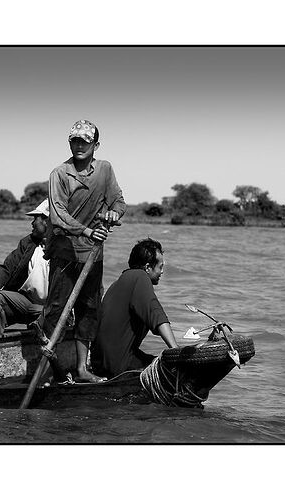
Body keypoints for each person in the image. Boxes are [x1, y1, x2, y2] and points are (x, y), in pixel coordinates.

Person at [43, 119, 126, 383]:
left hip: (92, 256)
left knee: (89, 310)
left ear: (95, 145)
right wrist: (88, 231)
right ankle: (46, 368)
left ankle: (81, 369)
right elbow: (58, 215)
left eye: (84, 142)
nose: (79, 146)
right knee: (56, 310)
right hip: (65, 253)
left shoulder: (105, 170)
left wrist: (114, 213)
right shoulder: (60, 173)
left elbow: (119, 201)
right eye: (74, 141)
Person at [90, 238, 178, 378]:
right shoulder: (139, 277)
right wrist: (176, 351)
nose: (162, 272)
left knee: (156, 361)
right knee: (173, 370)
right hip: (118, 363)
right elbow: (156, 315)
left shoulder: (120, 281)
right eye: (160, 267)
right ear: (148, 267)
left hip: (100, 361)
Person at [0, 199, 50, 336]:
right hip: (27, 303)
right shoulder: (28, 243)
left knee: (51, 315)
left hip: (51, 309)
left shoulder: (64, 247)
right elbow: (7, 268)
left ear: (47, 221)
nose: (32, 223)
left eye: (36, 219)